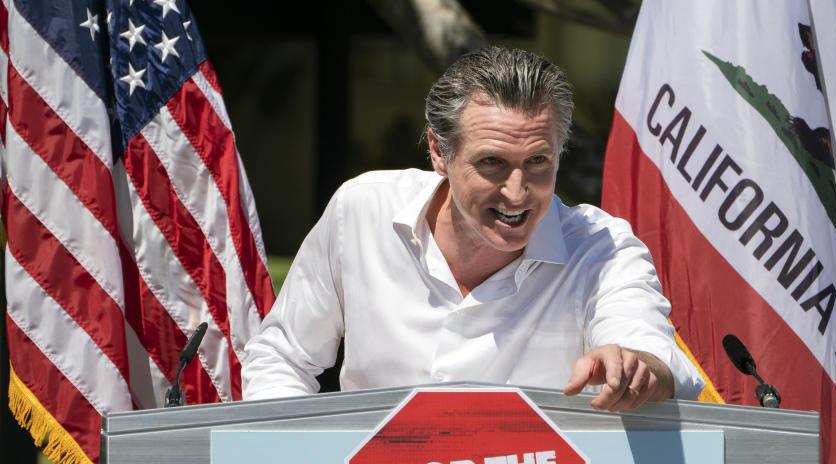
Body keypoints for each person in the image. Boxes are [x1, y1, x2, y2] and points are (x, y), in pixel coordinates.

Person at [241, 46, 703, 411]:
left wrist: (635, 367)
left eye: (538, 162)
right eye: (492, 163)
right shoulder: (361, 210)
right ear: (438, 152)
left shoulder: (602, 248)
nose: (518, 192)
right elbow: (282, 358)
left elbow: (654, 356)